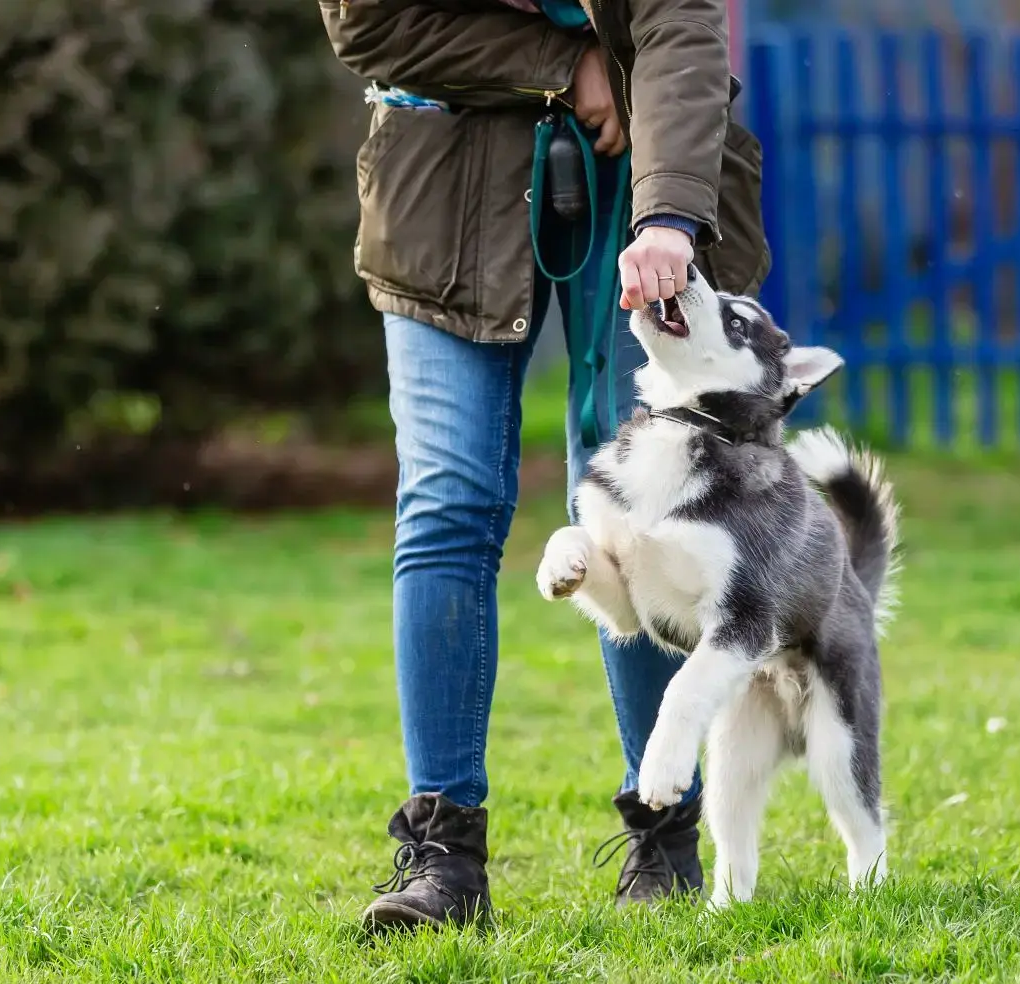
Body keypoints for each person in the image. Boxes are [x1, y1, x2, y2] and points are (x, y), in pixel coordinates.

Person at [322, 0, 771, 930]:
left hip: (645, 184)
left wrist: (673, 215)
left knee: (650, 504)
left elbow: (682, 29)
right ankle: (440, 855)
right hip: (440, 183)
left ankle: (665, 828)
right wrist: (564, 64)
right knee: (447, 500)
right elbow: (371, 22)